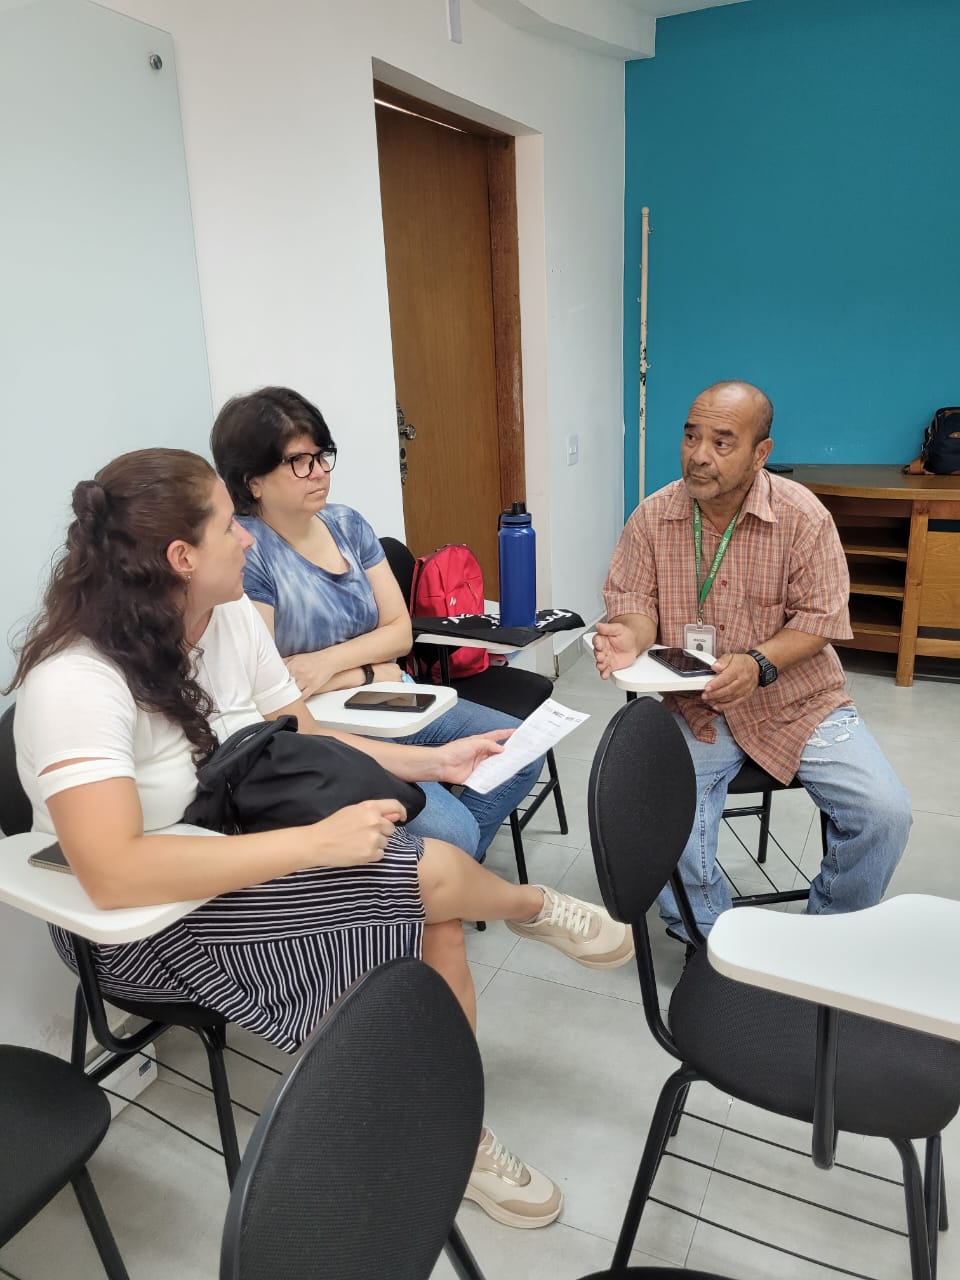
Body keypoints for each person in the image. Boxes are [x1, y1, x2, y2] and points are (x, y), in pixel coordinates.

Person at [10, 448, 634, 1230]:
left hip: (239, 844)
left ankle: (452, 1128)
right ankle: (527, 910)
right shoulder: (76, 684)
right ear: (180, 557)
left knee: (434, 913)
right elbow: (112, 873)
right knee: (428, 879)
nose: (247, 538)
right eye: (228, 526)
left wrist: (433, 761)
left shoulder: (227, 618)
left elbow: (301, 734)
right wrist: (316, 846)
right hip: (145, 924)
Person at [594, 380, 911, 940]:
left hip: (800, 702)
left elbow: (821, 617)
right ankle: (708, 936)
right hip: (698, 704)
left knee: (884, 814)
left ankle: (831, 935)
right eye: (691, 437)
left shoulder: (802, 516)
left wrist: (758, 664)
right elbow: (637, 604)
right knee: (664, 809)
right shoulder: (652, 516)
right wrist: (629, 636)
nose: (698, 455)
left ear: (760, 453)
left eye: (722, 442)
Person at [209, 386, 541, 863]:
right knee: (454, 831)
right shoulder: (249, 553)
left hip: (390, 696)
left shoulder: (347, 524)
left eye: (322, 456)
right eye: (299, 461)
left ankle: (447, 875)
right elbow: (278, 687)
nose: (319, 472)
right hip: (324, 727)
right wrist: (371, 667)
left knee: (520, 750)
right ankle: (443, 870)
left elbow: (399, 633)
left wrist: (342, 669)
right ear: (252, 481)